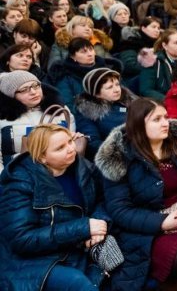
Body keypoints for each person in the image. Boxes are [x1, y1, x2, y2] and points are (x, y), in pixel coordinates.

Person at [95, 98, 177, 290]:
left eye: (166, 117)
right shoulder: (120, 157)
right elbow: (119, 210)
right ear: (138, 125)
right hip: (147, 234)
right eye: (156, 119)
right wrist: (162, 223)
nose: (165, 123)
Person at [0, 124, 110, 290]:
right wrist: (83, 228)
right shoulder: (20, 181)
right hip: (31, 261)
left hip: (75, 248)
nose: (70, 149)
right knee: (77, 283)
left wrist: (97, 224)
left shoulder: (81, 167)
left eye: (70, 142)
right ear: (42, 157)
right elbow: (21, 239)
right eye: (60, 148)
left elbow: (104, 199)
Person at [0, 71, 76, 170]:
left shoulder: (59, 109)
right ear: (11, 95)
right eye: (24, 90)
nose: (33, 92)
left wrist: (73, 139)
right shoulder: (3, 117)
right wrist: (4, 180)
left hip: (62, 170)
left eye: (36, 86)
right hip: (20, 174)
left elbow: (70, 139)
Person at [48, 37, 123, 114]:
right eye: (83, 52)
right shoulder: (64, 76)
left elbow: (123, 93)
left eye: (91, 49)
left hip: (116, 111)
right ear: (73, 56)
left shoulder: (107, 69)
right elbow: (68, 104)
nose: (90, 54)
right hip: (87, 116)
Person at [75, 67, 136, 160]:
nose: (117, 89)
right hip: (119, 157)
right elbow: (94, 143)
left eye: (117, 84)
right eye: (109, 87)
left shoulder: (130, 101)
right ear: (96, 94)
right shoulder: (87, 113)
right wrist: (120, 154)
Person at [139, 29, 177, 101]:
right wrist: (169, 100)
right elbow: (146, 90)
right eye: (176, 43)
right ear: (165, 45)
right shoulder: (152, 62)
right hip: (165, 100)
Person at [48, 15, 113, 68]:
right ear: (72, 28)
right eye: (83, 25)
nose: (88, 29)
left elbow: (110, 65)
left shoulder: (98, 43)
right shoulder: (60, 44)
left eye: (90, 27)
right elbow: (53, 67)